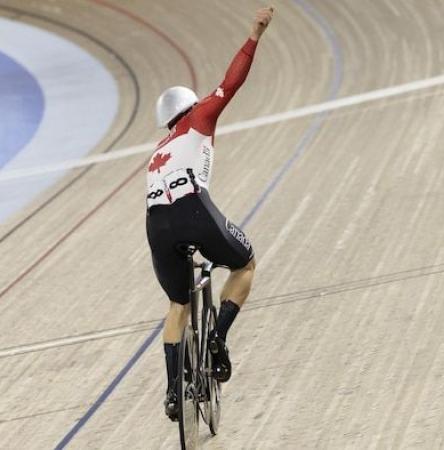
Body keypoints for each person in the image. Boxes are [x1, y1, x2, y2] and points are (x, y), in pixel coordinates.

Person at [145, 7, 274, 421]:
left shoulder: (156, 152)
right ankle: (217, 338)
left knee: (176, 306)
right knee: (246, 263)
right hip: (193, 211)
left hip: (156, 226)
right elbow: (231, 82)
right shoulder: (200, 116)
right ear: (191, 106)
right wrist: (254, 35)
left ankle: (170, 392)